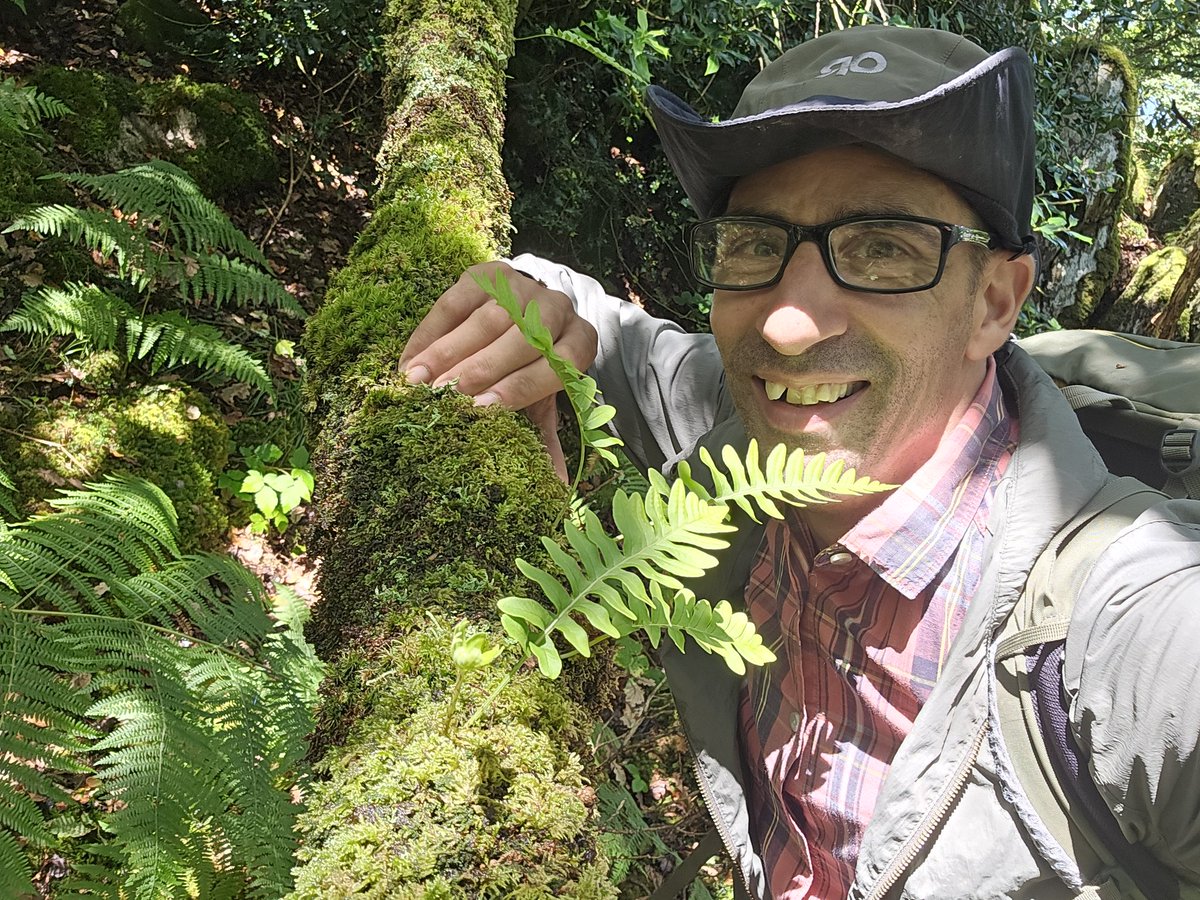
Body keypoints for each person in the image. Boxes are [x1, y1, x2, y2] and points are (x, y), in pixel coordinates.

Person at [398, 24, 1200, 900]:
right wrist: (525, 307)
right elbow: (593, 322)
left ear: (995, 303)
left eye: (883, 248)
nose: (785, 325)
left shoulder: (1138, 633)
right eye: (753, 243)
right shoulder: (741, 429)